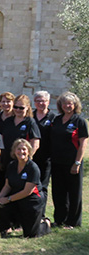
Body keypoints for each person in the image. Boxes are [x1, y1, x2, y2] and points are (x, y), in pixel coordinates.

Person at [0, 139, 51, 238]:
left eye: (24, 149)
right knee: (1, 204)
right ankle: (5, 228)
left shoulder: (33, 167)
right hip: (16, 197)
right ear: (14, 151)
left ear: (29, 151)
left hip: (31, 201)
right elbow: (7, 185)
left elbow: (27, 191)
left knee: (30, 235)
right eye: (18, 149)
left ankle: (45, 224)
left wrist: (8, 199)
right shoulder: (11, 165)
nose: (21, 152)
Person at [50, 92, 87, 228]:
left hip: (72, 162)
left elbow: (83, 143)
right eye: (64, 103)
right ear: (60, 105)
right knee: (58, 192)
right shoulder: (57, 120)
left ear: (75, 105)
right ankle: (60, 219)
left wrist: (77, 162)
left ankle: (73, 221)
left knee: (74, 192)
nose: (67, 106)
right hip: (57, 162)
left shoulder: (79, 121)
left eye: (70, 103)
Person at [33, 90, 55, 206]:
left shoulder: (53, 118)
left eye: (44, 101)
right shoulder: (30, 116)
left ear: (48, 102)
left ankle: (40, 213)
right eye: (38, 101)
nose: (41, 103)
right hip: (31, 157)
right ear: (34, 102)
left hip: (46, 158)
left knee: (43, 186)